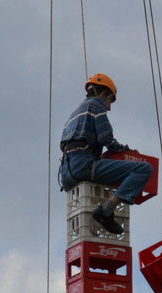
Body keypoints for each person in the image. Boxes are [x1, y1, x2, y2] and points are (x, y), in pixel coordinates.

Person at [59, 71, 153, 235]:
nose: (109, 107)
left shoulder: (73, 115)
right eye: (110, 101)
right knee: (144, 169)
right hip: (82, 165)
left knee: (103, 187)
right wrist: (125, 149)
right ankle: (106, 210)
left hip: (66, 173)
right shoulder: (96, 105)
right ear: (102, 94)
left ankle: (102, 216)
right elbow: (106, 138)